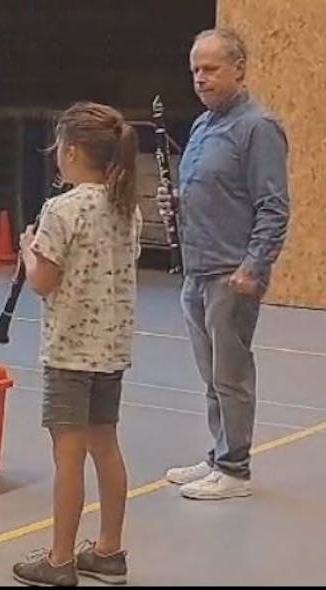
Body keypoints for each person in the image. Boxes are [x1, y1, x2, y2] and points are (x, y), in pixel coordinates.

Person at [10, 102, 142, 587]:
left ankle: (60, 560)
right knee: (106, 446)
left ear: (70, 151)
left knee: (68, 457)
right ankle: (108, 550)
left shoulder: (62, 209)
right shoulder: (128, 208)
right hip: (111, 349)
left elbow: (43, 281)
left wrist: (28, 250)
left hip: (69, 352)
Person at [158, 27, 290, 501]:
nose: (200, 78)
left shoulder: (258, 128)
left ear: (239, 69)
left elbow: (273, 207)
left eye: (211, 69)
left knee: (231, 375)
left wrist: (253, 267)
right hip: (196, 267)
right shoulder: (202, 125)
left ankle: (235, 469)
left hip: (230, 273)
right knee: (210, 373)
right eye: (195, 69)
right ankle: (219, 454)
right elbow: (215, 189)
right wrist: (178, 200)